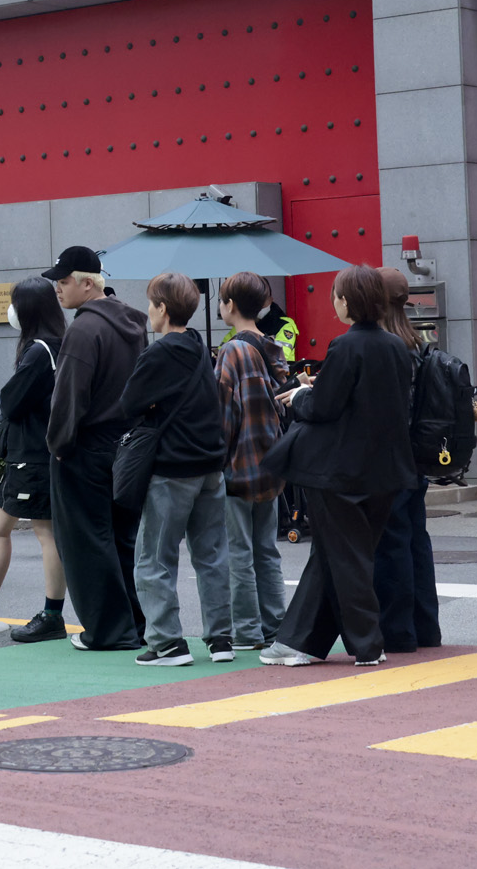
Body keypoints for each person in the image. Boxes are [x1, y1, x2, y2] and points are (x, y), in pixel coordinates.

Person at [262, 267, 414, 667]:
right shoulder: (397, 347)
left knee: (345, 559)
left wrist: (300, 397)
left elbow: (326, 407)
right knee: (336, 555)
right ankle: (298, 642)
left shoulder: (345, 347)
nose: (334, 302)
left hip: (338, 473)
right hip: (384, 470)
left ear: (346, 302)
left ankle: (367, 644)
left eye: (336, 296)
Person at [123, 274, 233, 666]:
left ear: (163, 308)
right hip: (210, 466)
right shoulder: (200, 347)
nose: (149, 311)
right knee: (212, 555)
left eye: (151, 304)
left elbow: (129, 404)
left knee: (155, 557)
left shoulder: (158, 353)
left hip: (172, 468)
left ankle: (168, 644)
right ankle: (221, 640)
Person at [43, 245, 149, 651]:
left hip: (84, 448)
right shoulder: (135, 324)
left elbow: (69, 398)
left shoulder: (84, 330)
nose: (57, 287)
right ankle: (136, 625)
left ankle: (108, 630)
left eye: (64, 280)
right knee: (124, 540)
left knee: (87, 541)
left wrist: (58, 445)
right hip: (126, 446)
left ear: (88, 283)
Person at [0, 278, 69, 642]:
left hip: (33, 456)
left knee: (46, 534)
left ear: (27, 310)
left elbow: (10, 402)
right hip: (39, 454)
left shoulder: (38, 352)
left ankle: (52, 615)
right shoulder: (61, 344)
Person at [217, 273, 291, 650]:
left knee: (238, 552)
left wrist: (217, 458)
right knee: (266, 549)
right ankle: (274, 624)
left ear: (229, 305)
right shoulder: (269, 346)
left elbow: (224, 414)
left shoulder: (232, 351)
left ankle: (246, 630)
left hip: (238, 465)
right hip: (271, 462)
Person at [370, 267, 439, 654]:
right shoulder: (415, 341)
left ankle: (397, 631)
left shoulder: (387, 344)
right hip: (417, 457)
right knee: (416, 541)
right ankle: (425, 627)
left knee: (391, 543)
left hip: (391, 458)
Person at [252, 278, 301, 362]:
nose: (259, 305)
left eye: (262, 299)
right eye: (254, 300)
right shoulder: (241, 324)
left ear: (271, 299)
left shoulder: (284, 325)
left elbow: (281, 358)